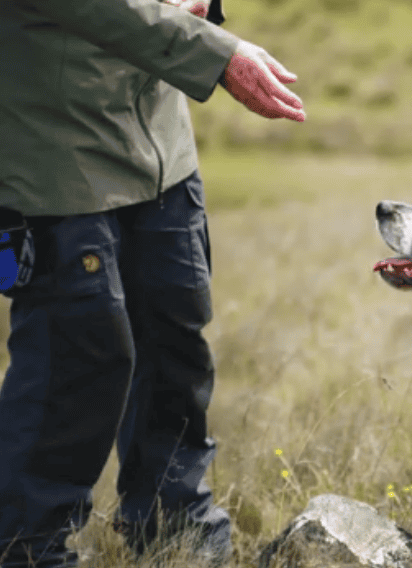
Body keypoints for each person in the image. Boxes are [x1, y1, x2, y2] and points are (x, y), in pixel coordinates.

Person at [0, 1, 305, 566]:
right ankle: (26, 550)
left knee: (175, 345)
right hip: (56, 159)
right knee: (76, 365)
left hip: (164, 150)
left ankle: (178, 536)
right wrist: (213, 53)